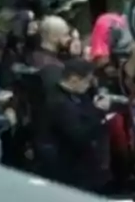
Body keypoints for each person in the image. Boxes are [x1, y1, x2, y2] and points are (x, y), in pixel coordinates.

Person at [36, 58, 112, 193]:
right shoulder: (58, 102)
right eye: (87, 81)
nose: (89, 85)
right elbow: (79, 135)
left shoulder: (77, 95)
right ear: (74, 79)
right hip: (68, 162)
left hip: (80, 157)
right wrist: (99, 112)